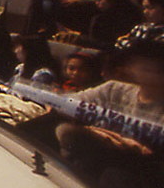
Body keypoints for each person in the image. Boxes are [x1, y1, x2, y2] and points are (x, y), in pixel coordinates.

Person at [55, 41, 164, 187]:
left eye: (155, 67)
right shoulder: (114, 89)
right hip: (92, 159)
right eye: (142, 63)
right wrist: (93, 131)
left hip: (139, 173)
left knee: (116, 174)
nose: (147, 69)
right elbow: (65, 103)